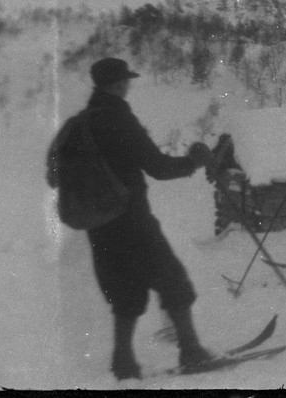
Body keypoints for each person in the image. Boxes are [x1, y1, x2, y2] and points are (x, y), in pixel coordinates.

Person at [81, 57, 216, 380]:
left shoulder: (82, 122)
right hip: (132, 221)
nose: (128, 85)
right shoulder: (118, 117)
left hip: (99, 224)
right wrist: (193, 161)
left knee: (126, 291)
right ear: (117, 84)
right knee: (173, 279)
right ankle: (192, 351)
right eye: (125, 81)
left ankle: (123, 363)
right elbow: (156, 166)